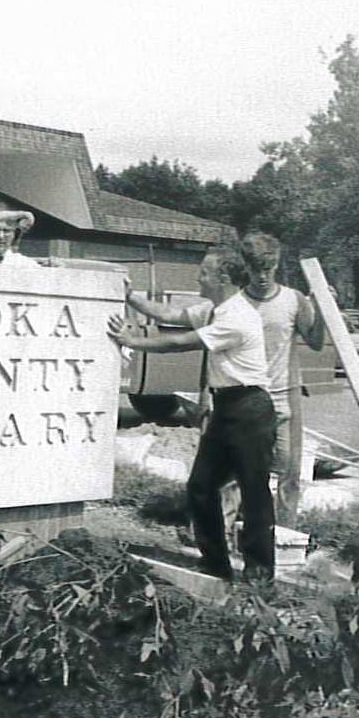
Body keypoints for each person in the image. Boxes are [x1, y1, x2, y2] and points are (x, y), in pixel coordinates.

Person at [109, 245, 276, 582]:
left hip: (250, 407)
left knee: (254, 491)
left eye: (204, 272)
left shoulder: (238, 316)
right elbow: (169, 315)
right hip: (225, 406)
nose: (198, 278)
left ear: (223, 278)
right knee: (201, 486)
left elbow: (180, 342)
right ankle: (215, 564)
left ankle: (259, 574)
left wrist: (133, 341)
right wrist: (131, 297)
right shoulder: (213, 309)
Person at [239, 232, 324, 528]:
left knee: (289, 470)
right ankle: (239, 530)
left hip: (285, 395)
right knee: (242, 469)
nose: (262, 276)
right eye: (255, 269)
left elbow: (315, 342)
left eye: (268, 268)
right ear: (246, 267)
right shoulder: (236, 303)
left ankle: (286, 533)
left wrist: (321, 308)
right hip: (247, 395)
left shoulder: (293, 300)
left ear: (276, 265)